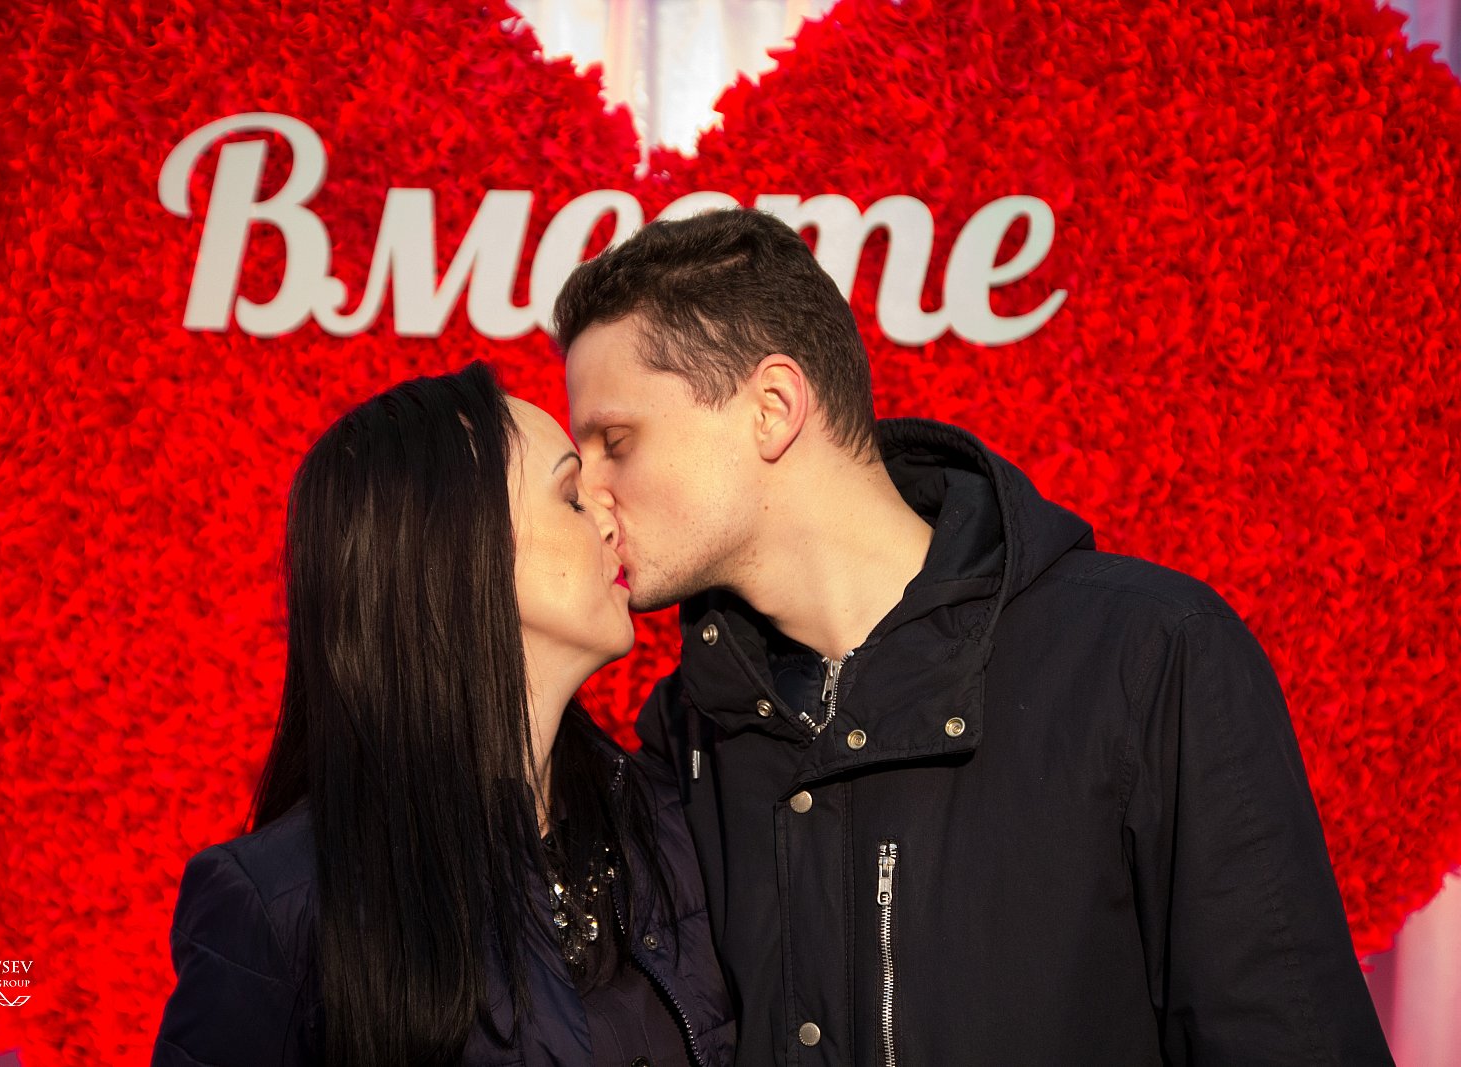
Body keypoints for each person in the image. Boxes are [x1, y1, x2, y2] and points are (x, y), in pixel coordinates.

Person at [553, 207, 1394, 1065]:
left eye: (616, 440)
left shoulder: (1150, 657)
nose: (592, 489)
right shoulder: (690, 733)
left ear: (772, 407)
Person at [149, 361, 735, 1067]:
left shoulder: (674, 815)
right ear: (459, 556)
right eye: (571, 496)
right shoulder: (281, 906)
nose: (612, 519)